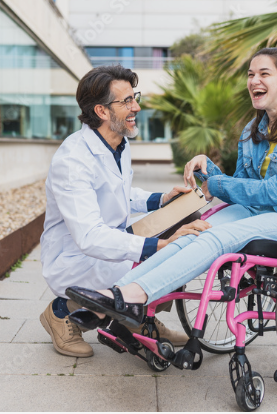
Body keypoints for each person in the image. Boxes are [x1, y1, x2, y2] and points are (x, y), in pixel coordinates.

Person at [66, 48, 277, 327]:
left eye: (264, 74)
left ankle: (133, 296)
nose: (253, 81)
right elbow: (242, 183)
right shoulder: (254, 129)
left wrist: (216, 183)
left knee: (214, 239)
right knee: (193, 232)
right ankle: (112, 296)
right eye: (251, 74)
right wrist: (210, 170)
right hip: (253, 209)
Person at [40, 64, 207, 358]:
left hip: (111, 241)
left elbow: (118, 193)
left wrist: (162, 199)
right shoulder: (73, 161)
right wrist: (157, 245)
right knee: (162, 253)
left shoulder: (119, 142)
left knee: (186, 218)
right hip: (78, 258)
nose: (137, 107)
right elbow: (90, 237)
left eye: (135, 97)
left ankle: (143, 318)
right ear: (102, 111)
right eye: (127, 101)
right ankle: (59, 312)